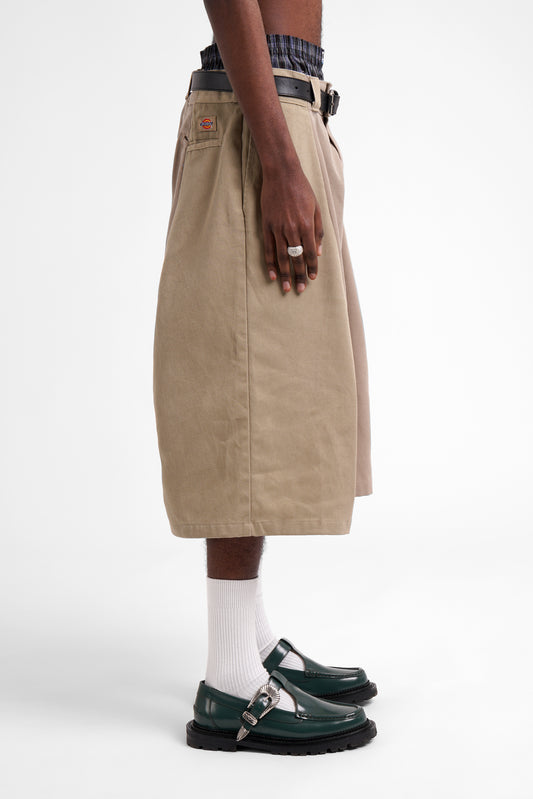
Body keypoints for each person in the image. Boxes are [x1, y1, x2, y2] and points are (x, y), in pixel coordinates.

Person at [153, 0, 377, 755]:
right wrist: (278, 159)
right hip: (259, 121)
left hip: (280, 107)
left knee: (267, 390)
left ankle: (248, 642)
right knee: (237, 390)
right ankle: (229, 684)